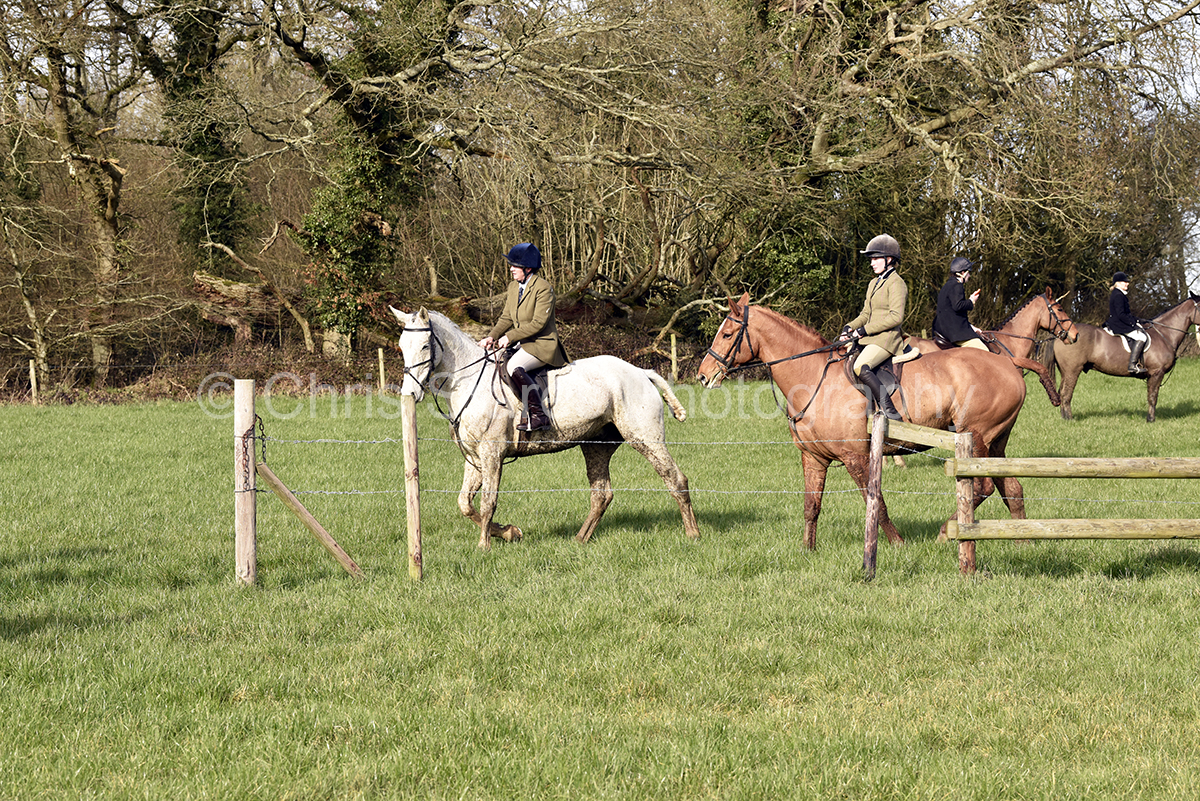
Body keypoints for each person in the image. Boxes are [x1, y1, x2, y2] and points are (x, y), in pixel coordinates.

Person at [478, 242, 569, 430]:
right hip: (523, 343)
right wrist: (492, 336)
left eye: (515, 266)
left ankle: (539, 415)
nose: (511, 269)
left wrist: (510, 336)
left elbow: (538, 324)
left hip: (542, 344)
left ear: (528, 269)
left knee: (513, 366)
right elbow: (506, 317)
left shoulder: (543, 288)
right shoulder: (514, 287)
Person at [839, 233, 907, 420]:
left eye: (876, 258)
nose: (872, 263)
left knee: (860, 366)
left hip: (887, 339)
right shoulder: (873, 283)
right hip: (870, 337)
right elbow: (865, 314)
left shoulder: (897, 283)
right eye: (871, 259)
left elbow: (896, 317)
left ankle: (890, 411)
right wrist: (849, 327)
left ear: (889, 259)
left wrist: (864, 330)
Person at [933, 256, 987, 350]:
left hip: (942, 329)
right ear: (963, 273)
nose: (969, 275)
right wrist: (971, 301)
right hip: (954, 332)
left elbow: (954, 314)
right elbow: (958, 306)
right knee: (984, 350)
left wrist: (972, 327)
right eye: (968, 272)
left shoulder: (947, 286)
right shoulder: (957, 285)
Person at [1104, 270, 1148, 375]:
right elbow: (1121, 314)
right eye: (1125, 282)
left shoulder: (1118, 294)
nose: (1127, 284)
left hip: (1119, 321)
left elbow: (1126, 314)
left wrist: (1138, 320)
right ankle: (1132, 365)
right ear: (1118, 283)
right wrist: (1133, 324)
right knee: (1142, 337)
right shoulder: (1118, 295)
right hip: (1119, 324)